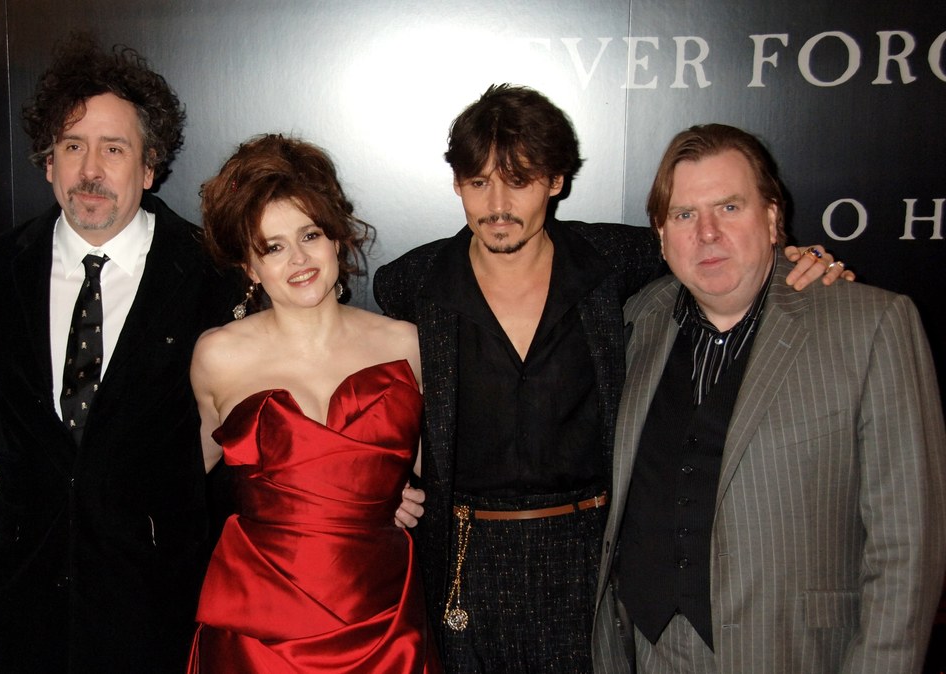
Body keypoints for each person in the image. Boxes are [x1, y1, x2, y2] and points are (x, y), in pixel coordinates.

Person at [372, 85, 849, 673]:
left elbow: (717, 258)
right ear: (457, 184)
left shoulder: (615, 260)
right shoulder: (411, 283)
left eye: (518, 180)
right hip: (467, 562)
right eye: (478, 183)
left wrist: (792, 258)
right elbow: (373, 400)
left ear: (555, 181)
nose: (496, 204)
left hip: (595, 556)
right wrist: (375, 486)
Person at [591, 123, 946, 673]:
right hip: (646, 651)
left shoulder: (870, 325)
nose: (707, 232)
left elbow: (908, 549)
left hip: (795, 655)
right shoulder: (633, 322)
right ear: (660, 235)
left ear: (773, 217)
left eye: (729, 208)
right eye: (685, 215)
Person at [0, 35, 243, 672]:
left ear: (149, 168)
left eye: (113, 149)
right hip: (19, 612)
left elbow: (264, 414)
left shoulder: (209, 277)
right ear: (47, 163)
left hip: (155, 610)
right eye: (73, 147)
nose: (90, 170)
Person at [187, 134, 438, 673]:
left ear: (337, 240)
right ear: (250, 268)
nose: (298, 259)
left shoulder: (405, 345)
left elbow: (444, 476)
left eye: (310, 234)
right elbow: (174, 487)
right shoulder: (218, 356)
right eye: (273, 247)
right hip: (260, 636)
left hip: (383, 626)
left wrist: (384, 496)